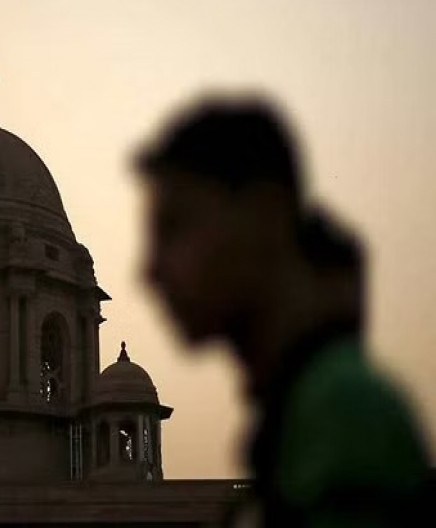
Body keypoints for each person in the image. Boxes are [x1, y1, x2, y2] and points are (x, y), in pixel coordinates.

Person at [132, 95, 429, 526]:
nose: (150, 270)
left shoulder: (344, 410)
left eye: (175, 227)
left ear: (263, 215)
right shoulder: (299, 413)